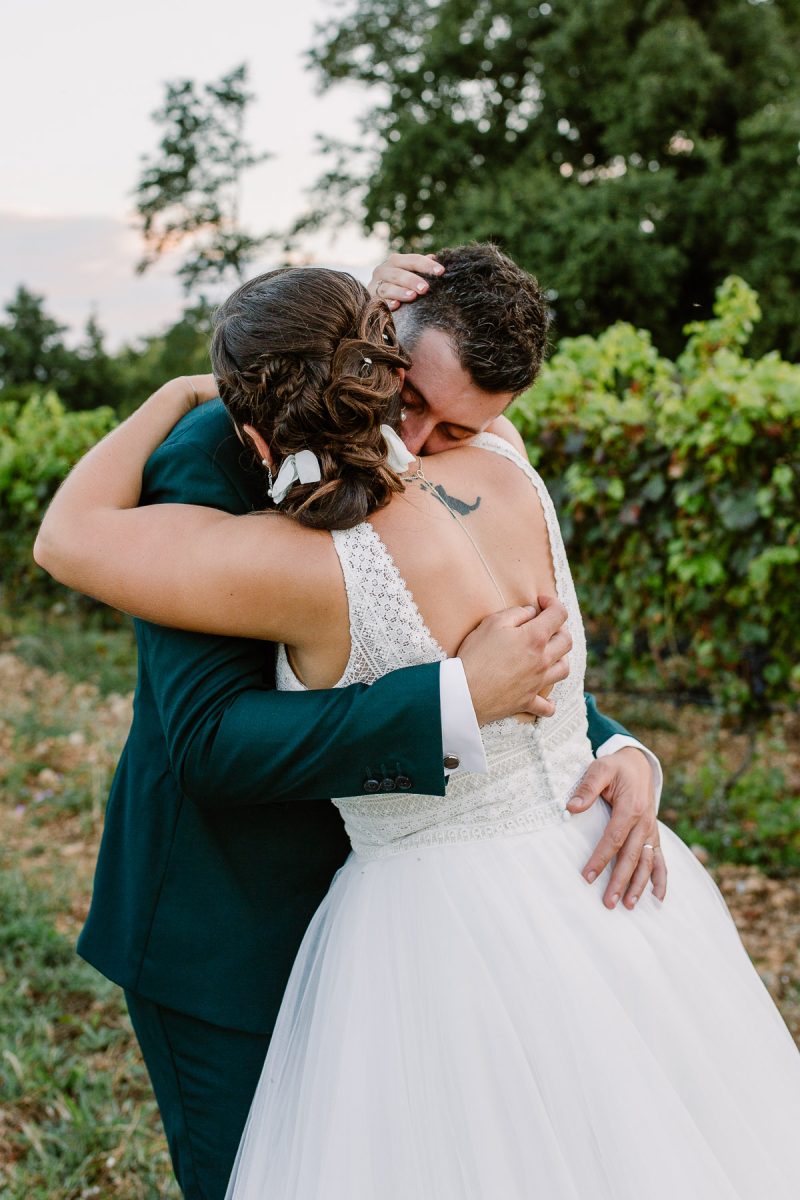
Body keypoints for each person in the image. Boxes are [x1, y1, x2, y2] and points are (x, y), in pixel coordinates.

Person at [35, 267, 800, 1199]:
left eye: (459, 428)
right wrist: (454, 698)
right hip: (235, 919)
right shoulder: (213, 454)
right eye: (411, 402)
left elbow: (525, 657)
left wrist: (611, 746)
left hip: (446, 922)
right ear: (380, 341)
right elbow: (208, 738)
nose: (418, 445)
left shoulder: (470, 467)